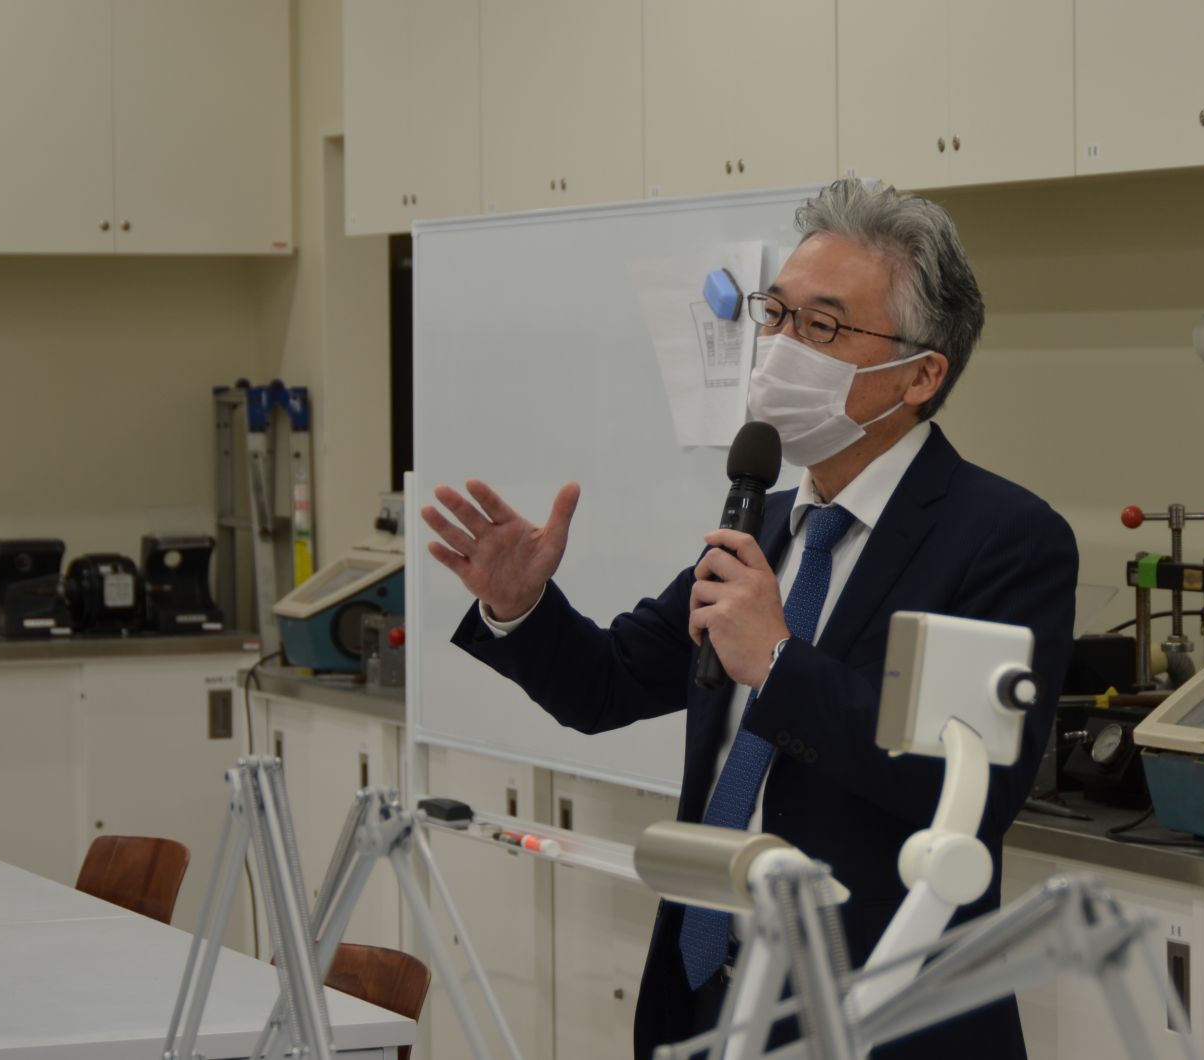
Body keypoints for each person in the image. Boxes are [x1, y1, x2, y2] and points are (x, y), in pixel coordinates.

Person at [421, 179, 1078, 1059]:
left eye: (824, 327)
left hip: (877, 1010)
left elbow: (961, 795)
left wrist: (778, 662)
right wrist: (520, 605)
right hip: (709, 992)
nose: (781, 348)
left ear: (922, 375)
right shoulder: (764, 521)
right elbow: (608, 686)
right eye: (776, 315)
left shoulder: (1003, 539)